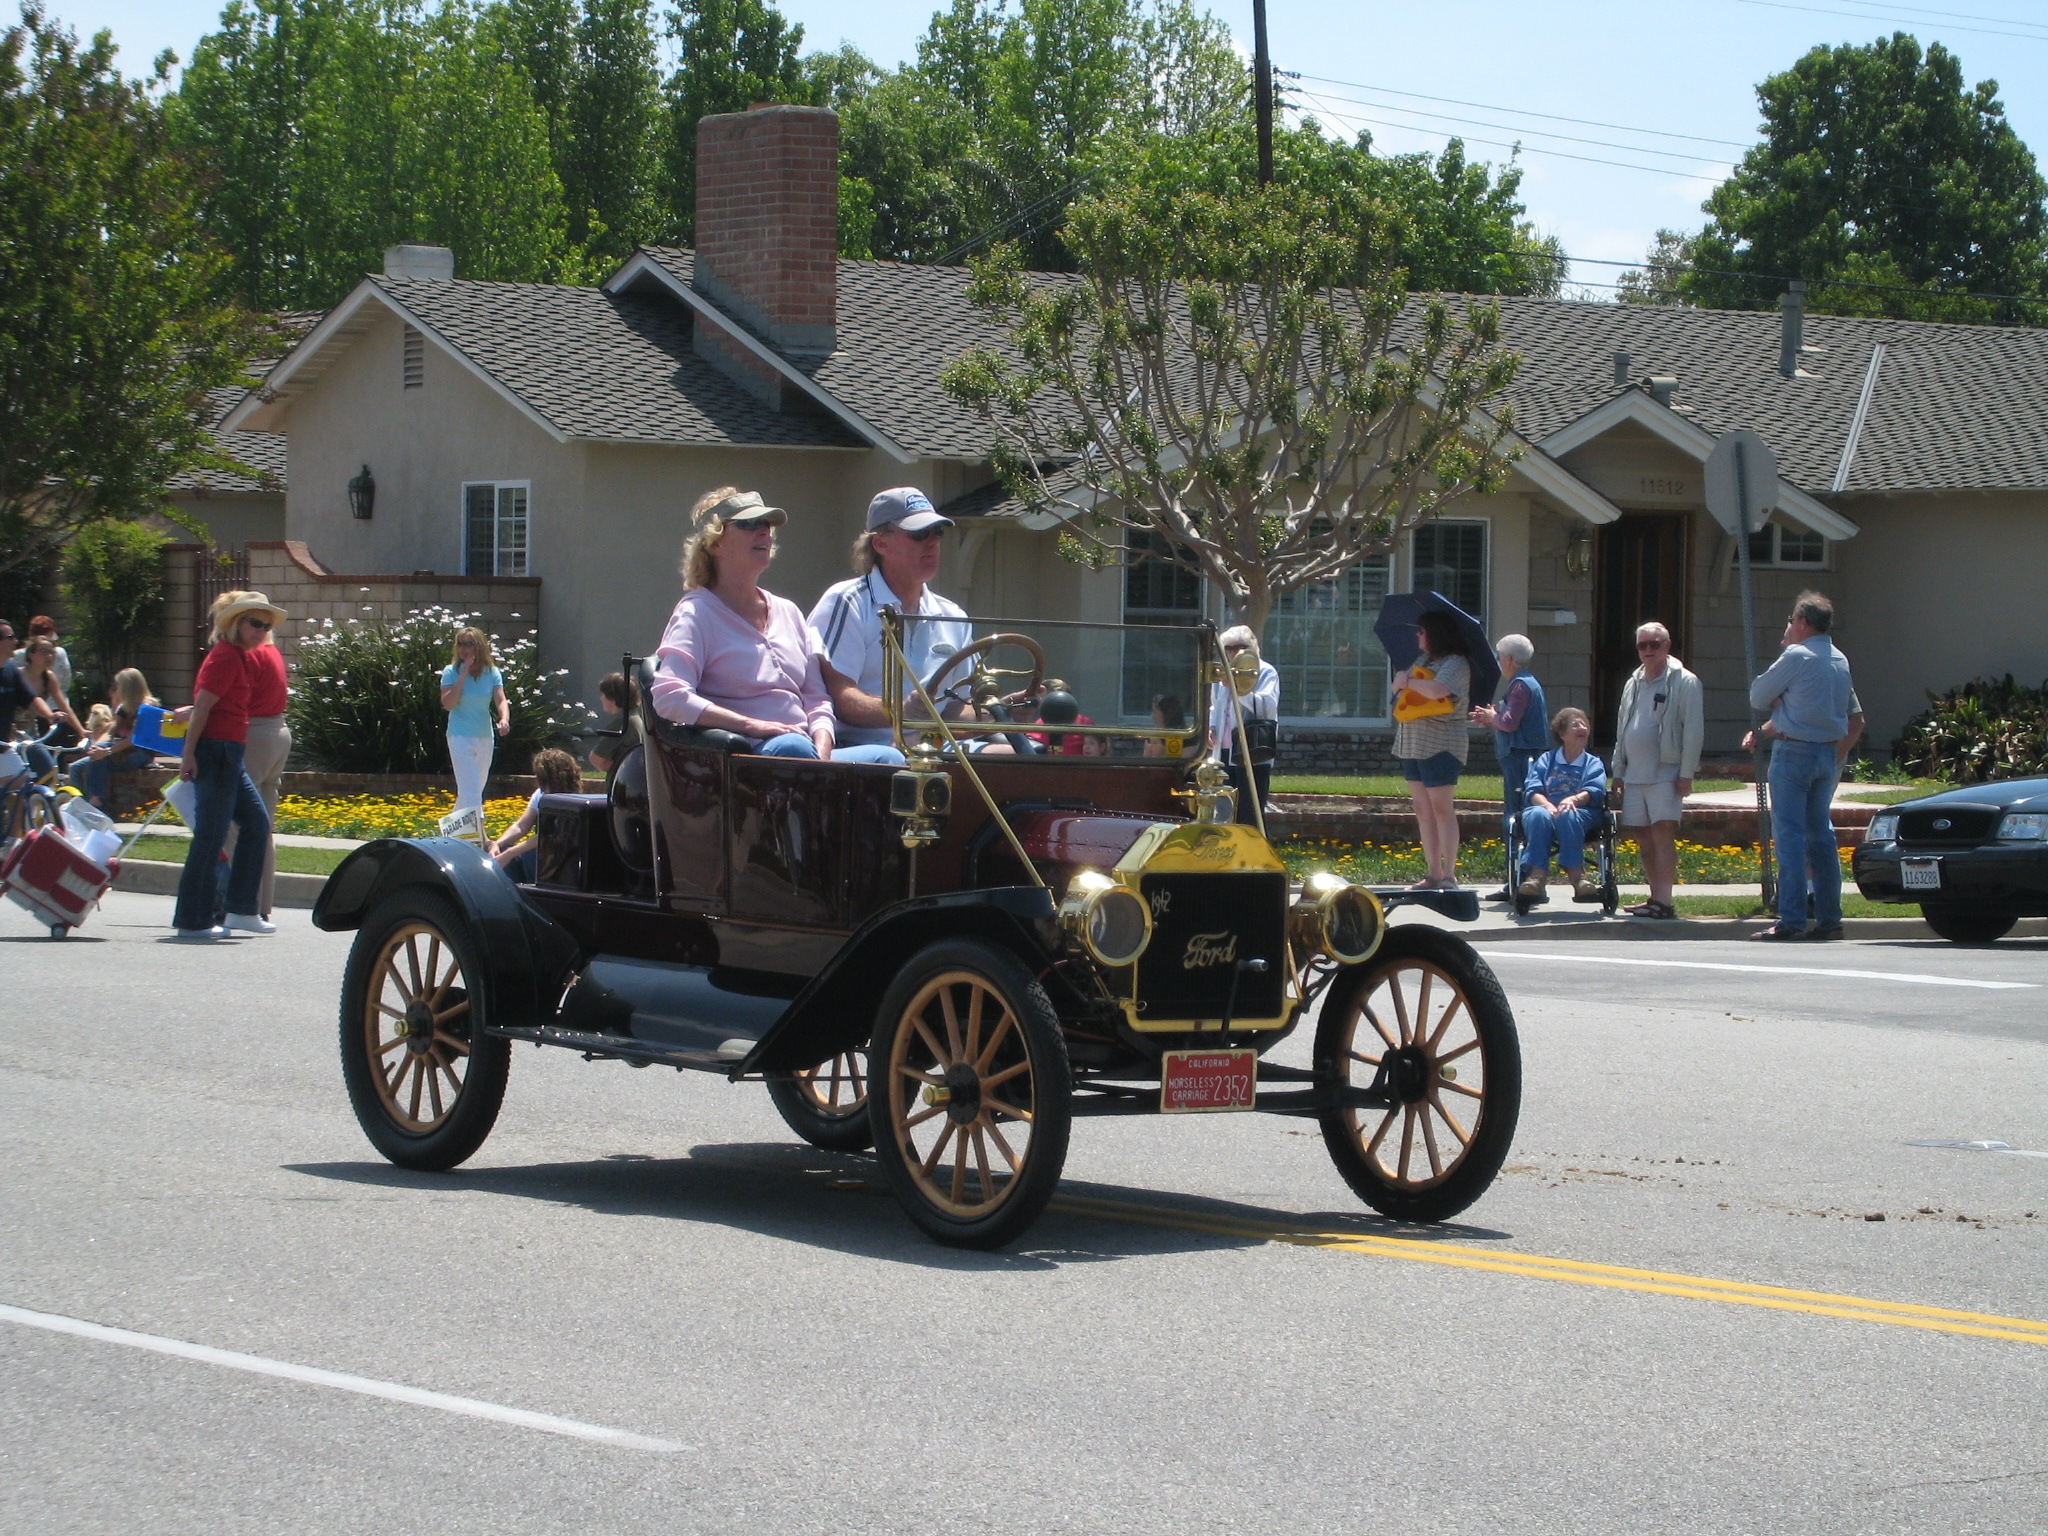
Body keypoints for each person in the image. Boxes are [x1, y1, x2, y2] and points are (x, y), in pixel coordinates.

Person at [652, 487, 893, 762]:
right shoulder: (697, 612)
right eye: (749, 524)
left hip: (805, 752)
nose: (764, 532)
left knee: (890, 760)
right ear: (714, 543)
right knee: (792, 748)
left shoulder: (788, 611)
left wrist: (823, 749)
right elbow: (669, 697)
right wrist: (752, 726)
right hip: (745, 759)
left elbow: (817, 698)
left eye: (766, 525)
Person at [808, 487, 972, 764]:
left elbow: (958, 708)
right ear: (880, 544)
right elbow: (841, 699)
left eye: (938, 533)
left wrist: (1005, 713)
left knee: (1017, 754)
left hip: (934, 749)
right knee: (893, 759)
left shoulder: (953, 616)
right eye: (919, 534)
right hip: (869, 753)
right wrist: (903, 711)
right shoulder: (847, 602)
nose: (932, 542)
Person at [172, 592, 285, 939]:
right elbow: (202, 708)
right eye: (254, 623)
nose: (261, 631)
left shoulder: (239, 657)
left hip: (231, 752)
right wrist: (188, 755)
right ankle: (194, 920)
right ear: (235, 623)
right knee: (212, 835)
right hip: (217, 751)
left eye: (265, 626)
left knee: (254, 824)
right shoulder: (225, 657)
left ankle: (240, 910)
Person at [1745, 591, 1856, 942]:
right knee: (1821, 836)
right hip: (1827, 755)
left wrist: (1782, 698)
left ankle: (1791, 919)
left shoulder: (1797, 655)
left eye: (1793, 619)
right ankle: (1829, 920)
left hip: (1794, 754)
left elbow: (1758, 695)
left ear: (1804, 622)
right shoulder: (1840, 659)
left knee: (1789, 836)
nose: (1790, 625)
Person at [1609, 621, 1703, 921]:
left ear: (1667, 645)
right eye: (1643, 645)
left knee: (1662, 831)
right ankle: (1654, 896)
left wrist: (1686, 773)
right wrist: (1618, 771)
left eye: (1655, 644)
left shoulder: (1685, 681)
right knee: (1642, 834)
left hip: (1666, 772)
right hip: (1634, 773)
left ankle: (1664, 900)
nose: (1648, 650)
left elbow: (1693, 731)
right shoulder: (1633, 682)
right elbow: (1622, 728)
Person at [1391, 610, 1472, 889]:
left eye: (1422, 631)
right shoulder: (1422, 661)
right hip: (1412, 742)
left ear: (1436, 634)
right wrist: (1404, 682)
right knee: (1421, 808)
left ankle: (1450, 874)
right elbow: (1398, 693)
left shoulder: (1456, 663)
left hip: (1442, 743)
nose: (1418, 635)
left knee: (1441, 808)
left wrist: (1409, 682)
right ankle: (1433, 873)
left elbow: (1438, 690)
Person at [1470, 633, 1547, 902]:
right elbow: (1508, 718)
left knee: (1516, 819)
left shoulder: (1520, 686)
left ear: (1510, 659)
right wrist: (1493, 717)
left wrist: (1494, 717)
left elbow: (1510, 722)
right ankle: (1522, 878)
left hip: (1519, 759)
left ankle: (1520, 880)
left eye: (1500, 657)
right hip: (1522, 757)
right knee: (1521, 817)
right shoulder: (1525, 684)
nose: (1498, 661)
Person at [1515, 708, 1609, 903]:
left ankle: (1577, 877)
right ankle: (1536, 877)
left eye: (1584, 724)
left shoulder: (1593, 763)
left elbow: (1595, 790)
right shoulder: (1546, 761)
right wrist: (1547, 805)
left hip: (1582, 813)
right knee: (1539, 814)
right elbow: (1532, 790)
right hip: (1545, 810)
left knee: (1568, 814)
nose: (1582, 727)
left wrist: (1573, 800)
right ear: (1562, 733)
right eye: (1575, 724)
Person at [1208, 626, 1281, 824]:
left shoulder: (1265, 671)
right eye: (1228, 649)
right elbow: (1215, 706)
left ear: (1250, 648)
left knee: (1250, 813)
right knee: (1223, 812)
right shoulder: (1222, 672)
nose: (1232, 653)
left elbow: (1267, 707)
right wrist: (1211, 728)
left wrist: (1240, 690)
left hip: (1252, 753)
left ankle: (1255, 851)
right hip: (1223, 753)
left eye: (1239, 647)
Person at [67, 668, 158, 810]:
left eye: (118, 685)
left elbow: (134, 739)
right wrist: (97, 746)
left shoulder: (148, 708)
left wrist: (107, 751)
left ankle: (96, 803)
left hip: (141, 753)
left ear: (127, 686)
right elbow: (113, 732)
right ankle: (86, 806)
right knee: (75, 768)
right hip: (118, 749)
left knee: (98, 759)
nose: (115, 689)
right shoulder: (123, 707)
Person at [441, 626, 509, 813]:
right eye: (460, 644)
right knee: (471, 792)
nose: (463, 648)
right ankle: (480, 837)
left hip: (485, 737)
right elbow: (448, 704)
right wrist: (462, 675)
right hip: (460, 736)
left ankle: (451, 835)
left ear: (478, 646)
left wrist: (504, 718)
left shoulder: (492, 672)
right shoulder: (451, 672)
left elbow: (500, 699)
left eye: (468, 644)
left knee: (472, 791)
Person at [489, 747, 583, 882]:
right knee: (503, 851)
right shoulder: (540, 794)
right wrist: (497, 844)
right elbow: (521, 826)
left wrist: (511, 853)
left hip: (561, 857)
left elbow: (550, 836)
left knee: (526, 854)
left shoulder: (573, 799)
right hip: (540, 853)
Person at [16, 635, 84, 746]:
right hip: (9, 729)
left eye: (52, 652)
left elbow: (64, 707)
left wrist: (81, 731)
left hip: (30, 732)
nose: (49, 656)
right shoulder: (18, 674)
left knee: (44, 761)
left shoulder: (49, 677)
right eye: (43, 652)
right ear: (30, 654)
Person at [589, 672, 643, 774]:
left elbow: (596, 758)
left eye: (604, 694)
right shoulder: (636, 719)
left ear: (613, 698)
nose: (601, 698)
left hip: (621, 785)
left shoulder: (621, 722)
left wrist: (607, 765)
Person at [25, 615, 72, 700]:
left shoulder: (16, 655)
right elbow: (66, 680)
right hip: (56, 703)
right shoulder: (60, 652)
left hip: (28, 704)